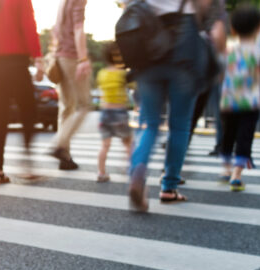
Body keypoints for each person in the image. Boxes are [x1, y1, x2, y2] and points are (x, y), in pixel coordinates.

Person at [127, 0, 212, 211]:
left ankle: (137, 171)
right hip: (183, 44)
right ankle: (169, 187)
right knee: (180, 125)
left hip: (146, 43)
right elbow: (204, 5)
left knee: (150, 123)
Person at [218, 5, 260, 192]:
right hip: (251, 103)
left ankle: (225, 169)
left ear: (232, 28)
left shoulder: (228, 51)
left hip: (228, 101)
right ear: (259, 27)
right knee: (244, 138)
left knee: (227, 136)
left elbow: (218, 74)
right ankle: (237, 175)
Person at [0, 0, 44, 184]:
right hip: (16, 64)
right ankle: (27, 162)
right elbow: (28, 26)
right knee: (29, 112)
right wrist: (38, 58)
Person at [49, 0, 90, 171]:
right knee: (85, 105)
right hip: (72, 57)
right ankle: (59, 145)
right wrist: (83, 59)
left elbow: (55, 31)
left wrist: (53, 54)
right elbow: (78, 28)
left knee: (66, 107)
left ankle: (64, 157)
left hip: (59, 57)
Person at [186, 0, 227, 157]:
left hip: (183, 59)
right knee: (217, 107)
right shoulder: (216, 6)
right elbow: (218, 33)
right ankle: (221, 144)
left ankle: (172, 167)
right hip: (206, 62)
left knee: (186, 114)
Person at [95, 43, 132, 183]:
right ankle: (131, 171)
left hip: (105, 112)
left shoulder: (102, 73)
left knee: (105, 145)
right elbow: (133, 87)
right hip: (120, 112)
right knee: (128, 143)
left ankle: (101, 172)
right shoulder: (123, 73)